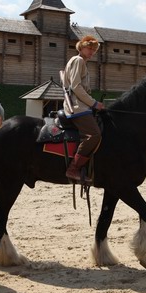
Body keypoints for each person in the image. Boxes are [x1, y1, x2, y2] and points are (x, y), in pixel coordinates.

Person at [61, 35, 104, 184]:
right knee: (94, 135)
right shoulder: (78, 60)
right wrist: (93, 103)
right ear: (82, 47)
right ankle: (73, 168)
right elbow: (76, 87)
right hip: (77, 106)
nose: (92, 51)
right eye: (89, 48)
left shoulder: (80, 62)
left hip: (80, 104)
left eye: (94, 49)